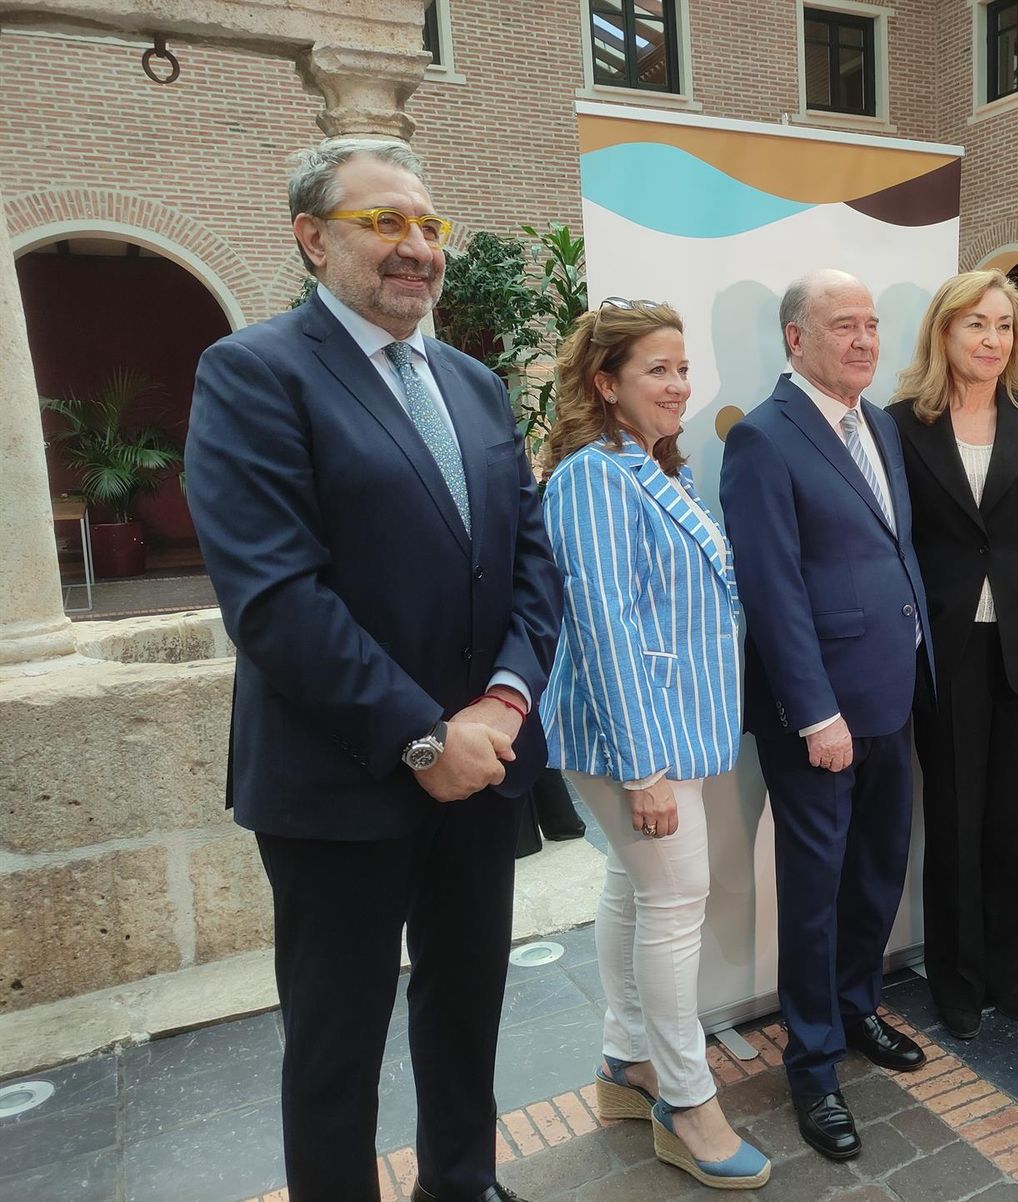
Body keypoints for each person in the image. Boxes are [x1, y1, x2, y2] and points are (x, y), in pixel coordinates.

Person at [184, 138, 561, 1202]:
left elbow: (531, 560)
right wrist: (423, 736)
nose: (416, 247)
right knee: (336, 1043)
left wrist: (503, 702)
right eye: (384, 221)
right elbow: (275, 598)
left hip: (483, 768)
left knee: (467, 1007)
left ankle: (461, 1183)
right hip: (341, 779)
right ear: (312, 238)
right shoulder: (254, 372)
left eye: (429, 225)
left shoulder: (474, 384)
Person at [538, 298, 769, 1189]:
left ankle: (627, 1060)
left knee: (636, 892)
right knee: (675, 906)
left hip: (675, 726)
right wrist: (644, 769)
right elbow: (603, 625)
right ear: (606, 384)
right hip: (632, 737)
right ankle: (685, 1099)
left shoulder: (656, 468)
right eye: (656, 371)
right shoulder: (593, 477)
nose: (677, 386)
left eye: (682, 369)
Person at [720, 269, 932, 1162]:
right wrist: (814, 714)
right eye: (843, 324)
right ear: (795, 338)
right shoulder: (764, 438)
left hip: (894, 693)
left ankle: (855, 1009)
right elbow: (772, 590)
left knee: (878, 870)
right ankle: (811, 1065)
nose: (864, 339)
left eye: (871, 324)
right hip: (821, 716)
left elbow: (893, 551)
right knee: (813, 896)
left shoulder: (877, 423)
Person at [886, 270, 1018, 1038]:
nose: (992, 339)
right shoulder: (900, 423)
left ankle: (1013, 975)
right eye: (976, 323)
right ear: (943, 332)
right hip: (944, 651)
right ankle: (958, 983)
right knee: (955, 819)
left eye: (1005, 326)